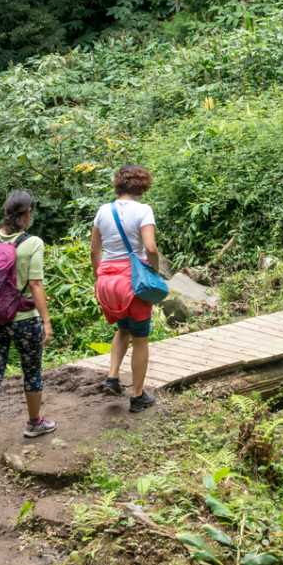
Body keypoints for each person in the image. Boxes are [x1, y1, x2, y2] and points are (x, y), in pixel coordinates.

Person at [0, 189, 54, 458]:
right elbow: (36, 284)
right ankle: (35, 423)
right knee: (32, 371)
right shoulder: (32, 243)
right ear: (26, 214)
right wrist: (47, 322)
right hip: (24, 319)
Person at [91, 164, 161, 413]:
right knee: (140, 339)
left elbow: (94, 250)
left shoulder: (103, 211)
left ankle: (112, 377)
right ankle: (138, 396)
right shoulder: (143, 211)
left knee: (123, 329)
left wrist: (98, 277)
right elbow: (150, 248)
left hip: (107, 280)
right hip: (131, 280)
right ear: (142, 185)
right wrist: (153, 271)